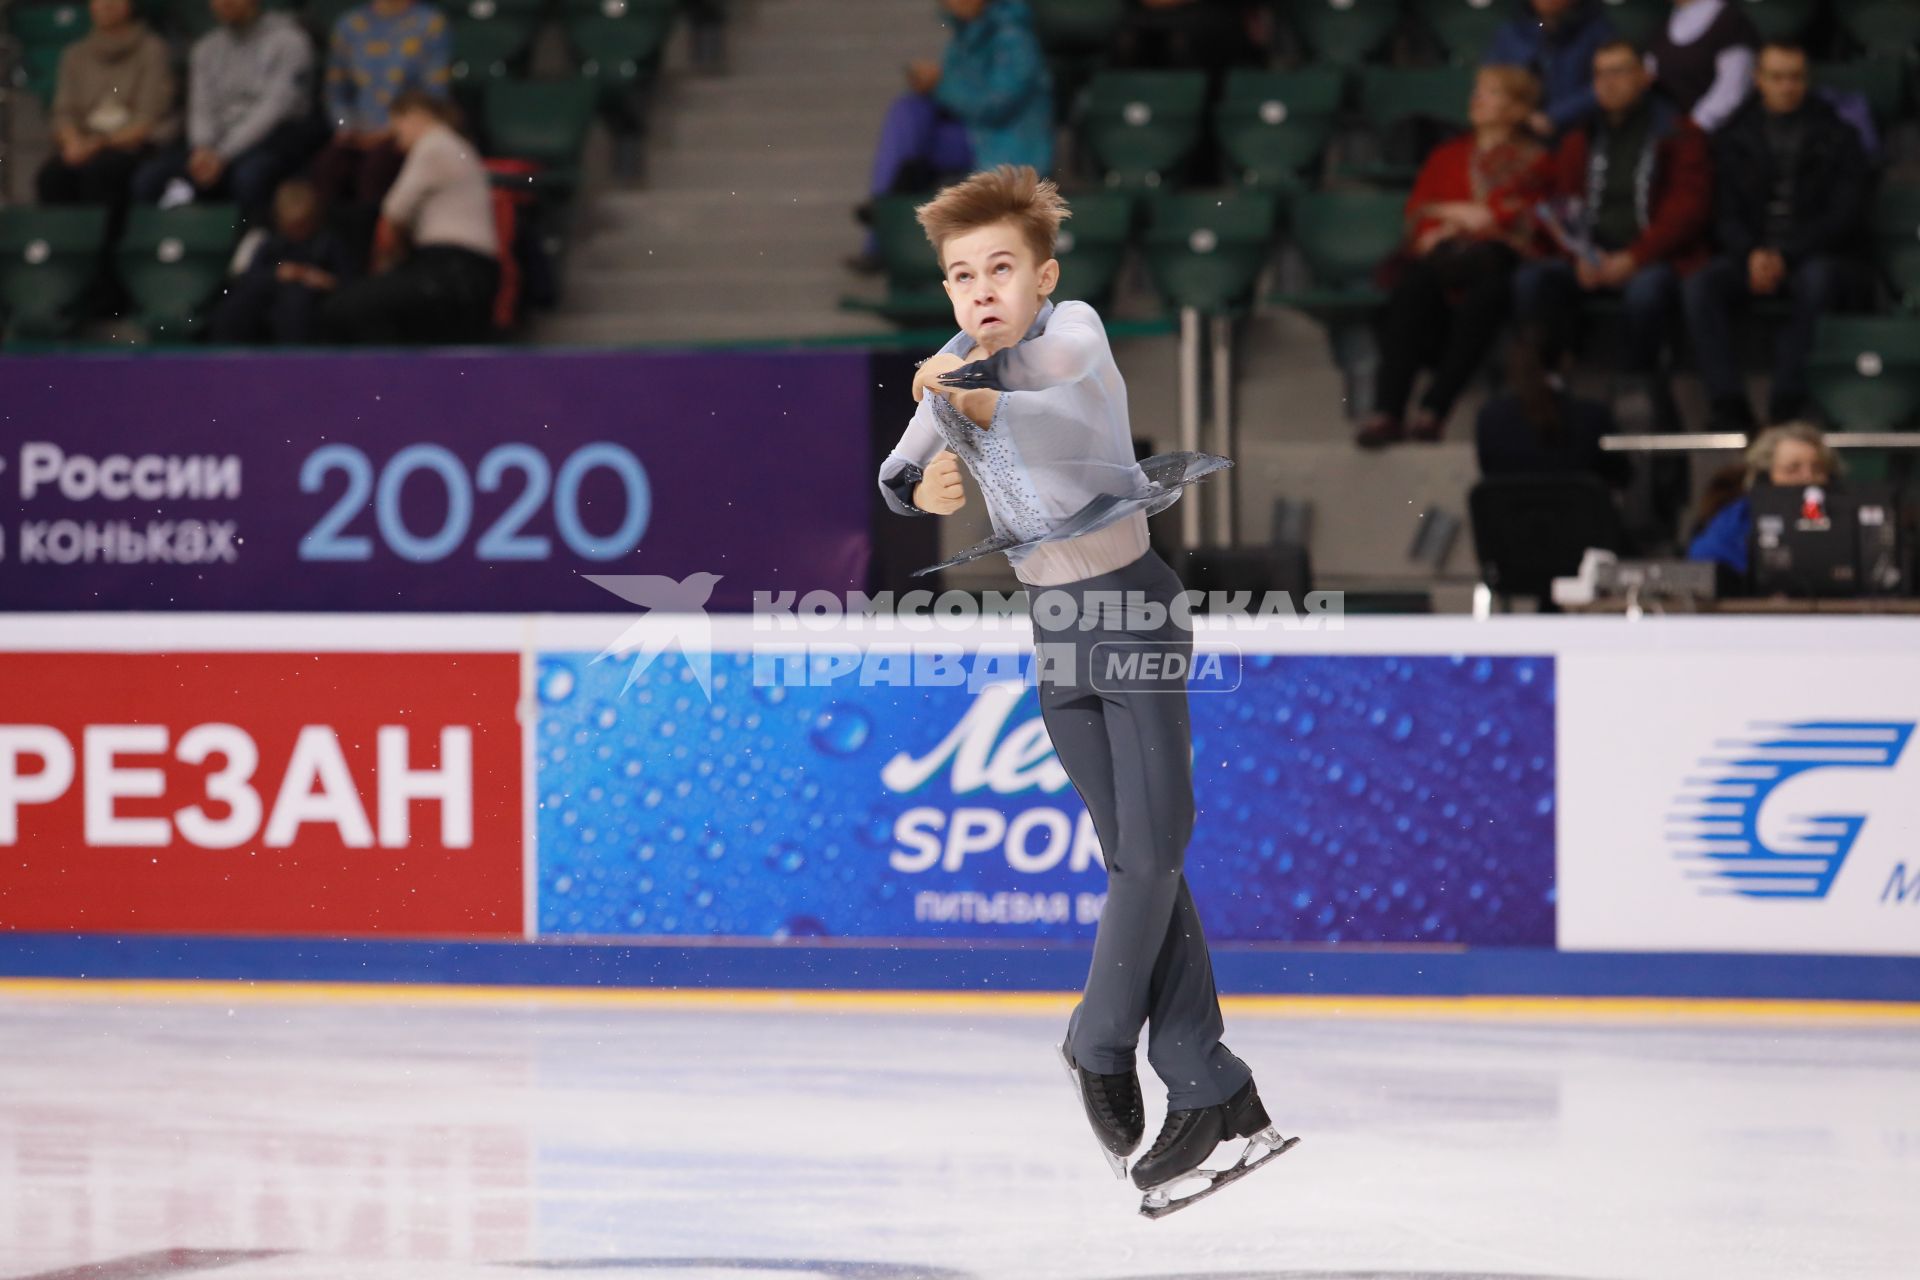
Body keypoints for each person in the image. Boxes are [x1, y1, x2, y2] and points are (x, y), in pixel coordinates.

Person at [875, 165, 1285, 1208]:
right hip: (1053, 625)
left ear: (1043, 273)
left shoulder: (1075, 334)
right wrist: (919, 475)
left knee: (1153, 846)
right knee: (1137, 855)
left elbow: (1053, 413)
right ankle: (1213, 1088)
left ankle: (1097, 1037)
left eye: (1001, 268)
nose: (981, 289)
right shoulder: (960, 360)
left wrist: (960, 395)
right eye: (961, 274)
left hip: (1130, 605)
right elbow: (896, 466)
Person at [1682, 42, 1871, 430]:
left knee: (1818, 280)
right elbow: (1723, 212)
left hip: (1813, 253)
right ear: (1758, 80)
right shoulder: (1734, 136)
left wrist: (1785, 253)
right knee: (1699, 286)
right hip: (1748, 255)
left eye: (1796, 77)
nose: (1787, 86)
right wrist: (1751, 253)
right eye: (1777, 77)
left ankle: (1786, 402)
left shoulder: (1838, 135)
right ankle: (1727, 403)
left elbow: (1843, 216)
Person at [1356, 66, 1546, 448]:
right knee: (1411, 288)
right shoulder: (1447, 155)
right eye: (1478, 90)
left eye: (1491, 93)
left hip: (1497, 263)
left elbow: (1513, 217)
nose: (1477, 99)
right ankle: (1387, 410)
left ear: (1516, 108)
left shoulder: (1536, 160)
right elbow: (1420, 217)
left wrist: (1450, 215)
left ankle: (1435, 410)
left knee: (1488, 294)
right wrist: (1453, 220)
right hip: (1446, 261)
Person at [1511, 40, 1710, 403]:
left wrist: (1635, 257)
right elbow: (1562, 205)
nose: (1608, 82)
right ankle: (1545, 384)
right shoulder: (1579, 137)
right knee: (1533, 281)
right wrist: (1580, 257)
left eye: (1619, 71)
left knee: (1646, 292)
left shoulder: (1678, 132)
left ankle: (1636, 389)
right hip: (1591, 256)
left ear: (1644, 77)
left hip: (1655, 256)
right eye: (1600, 74)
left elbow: (1687, 210)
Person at [850, 0, 1052, 272]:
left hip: (1003, 145)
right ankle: (885, 211)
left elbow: (994, 105)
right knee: (909, 109)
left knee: (913, 118)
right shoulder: (964, 37)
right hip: (970, 136)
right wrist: (930, 86)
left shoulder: (1015, 39)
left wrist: (940, 84)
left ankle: (885, 215)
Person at [319, 91, 498, 345]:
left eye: (397, 128)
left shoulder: (434, 144)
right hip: (466, 273)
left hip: (454, 272)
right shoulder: (457, 146)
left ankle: (383, 382)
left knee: (347, 308)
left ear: (413, 116)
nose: (397, 142)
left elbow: (391, 217)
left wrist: (382, 267)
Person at [132, 0, 318, 225]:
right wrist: (202, 149)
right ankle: (166, 253)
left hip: (274, 136)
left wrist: (223, 154)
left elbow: (274, 108)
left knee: (250, 177)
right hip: (216, 142)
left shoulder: (290, 41)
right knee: (150, 178)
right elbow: (200, 106)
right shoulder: (206, 48)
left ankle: (250, 250)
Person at [311, 0, 451, 217]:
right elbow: (335, 92)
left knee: (375, 170)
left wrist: (391, 130)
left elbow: (433, 95)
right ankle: (323, 247)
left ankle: (374, 244)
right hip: (355, 133)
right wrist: (345, 127)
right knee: (327, 166)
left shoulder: (430, 24)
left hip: (403, 133)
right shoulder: (350, 24)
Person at [37, 0, 175, 218]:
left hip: (131, 146)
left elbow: (149, 118)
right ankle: (61, 249)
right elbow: (63, 112)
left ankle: (105, 248)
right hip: (83, 145)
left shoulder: (153, 50)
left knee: (102, 172)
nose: (106, 5)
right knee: (52, 176)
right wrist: (73, 142)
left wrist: (98, 144)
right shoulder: (74, 54)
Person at [208, 178, 356, 344]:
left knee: (295, 301)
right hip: (270, 293)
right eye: (292, 225)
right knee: (237, 304)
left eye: (302, 224)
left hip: (310, 300)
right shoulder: (268, 242)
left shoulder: (327, 243)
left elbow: (348, 284)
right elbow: (246, 278)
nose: (297, 231)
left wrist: (319, 279)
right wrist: (276, 274)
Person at [1687, 421, 1839, 576]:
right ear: (1763, 477)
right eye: (1792, 469)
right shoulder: (1740, 517)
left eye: (1818, 469)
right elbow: (1706, 560)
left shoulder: (1841, 516)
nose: (1808, 477)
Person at [1475, 334, 1630, 486]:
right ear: (1565, 361)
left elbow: (1489, 472)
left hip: (1512, 511)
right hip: (1577, 511)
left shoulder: (1489, 419)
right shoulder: (1592, 417)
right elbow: (1622, 475)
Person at [1483, 0, 1617, 138]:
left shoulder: (1598, 30)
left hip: (1579, 133)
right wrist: (1523, 114)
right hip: (1516, 133)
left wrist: (1555, 116)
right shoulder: (1511, 32)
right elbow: (1489, 82)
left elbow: (1607, 85)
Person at [1646, 0, 1756, 133]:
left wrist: (1697, 123)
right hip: (1669, 131)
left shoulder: (1731, 21)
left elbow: (1735, 85)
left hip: (1717, 138)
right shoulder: (1666, 22)